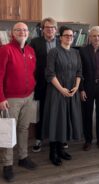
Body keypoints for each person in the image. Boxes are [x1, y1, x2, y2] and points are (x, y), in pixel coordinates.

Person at [0, 22, 37, 182]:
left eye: (24, 30)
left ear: (28, 33)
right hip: (11, 99)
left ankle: (23, 157)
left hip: (29, 96)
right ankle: (7, 165)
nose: (22, 32)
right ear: (11, 34)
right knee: (8, 131)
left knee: (24, 128)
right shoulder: (5, 50)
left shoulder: (30, 51)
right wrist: (1, 98)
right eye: (18, 30)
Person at [42, 26, 82, 166]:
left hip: (71, 92)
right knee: (56, 121)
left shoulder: (76, 53)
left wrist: (76, 87)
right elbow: (50, 74)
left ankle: (61, 149)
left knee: (65, 121)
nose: (69, 37)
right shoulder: (53, 52)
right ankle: (53, 152)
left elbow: (79, 72)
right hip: (56, 92)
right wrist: (61, 89)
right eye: (66, 35)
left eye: (71, 35)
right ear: (60, 37)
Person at [30, 17, 61, 152]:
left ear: (56, 30)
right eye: (47, 27)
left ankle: (60, 137)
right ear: (42, 29)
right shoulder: (34, 42)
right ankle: (39, 138)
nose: (50, 30)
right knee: (41, 111)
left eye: (52, 27)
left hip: (59, 83)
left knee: (59, 110)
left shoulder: (61, 42)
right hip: (41, 83)